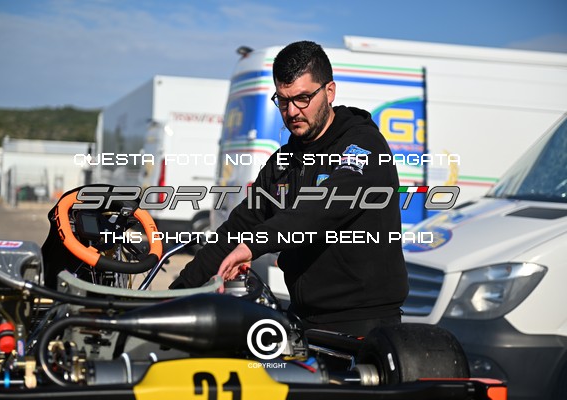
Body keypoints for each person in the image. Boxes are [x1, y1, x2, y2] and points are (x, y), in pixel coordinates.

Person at [170, 40, 408, 337]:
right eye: (283, 101)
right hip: (302, 319)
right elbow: (235, 231)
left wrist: (252, 245)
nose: (292, 111)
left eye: (302, 98)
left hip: (365, 325)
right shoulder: (282, 163)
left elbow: (322, 208)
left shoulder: (364, 145)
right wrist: (174, 296)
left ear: (329, 91)